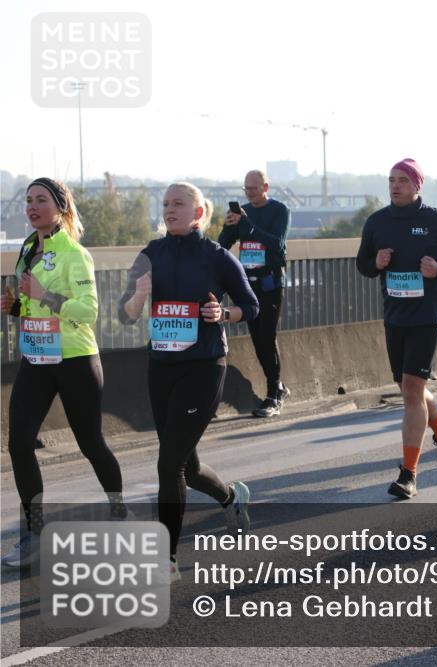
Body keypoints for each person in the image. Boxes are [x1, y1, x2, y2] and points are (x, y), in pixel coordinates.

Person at [119, 183, 260, 581]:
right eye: (165, 203)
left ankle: (166, 559)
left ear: (198, 213)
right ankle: (231, 497)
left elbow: (251, 306)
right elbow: (125, 315)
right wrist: (139, 295)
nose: (170, 209)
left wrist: (223, 314)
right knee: (187, 465)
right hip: (162, 367)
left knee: (169, 464)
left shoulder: (216, 256)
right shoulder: (151, 254)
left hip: (203, 368)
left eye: (178, 203)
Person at [1, 178, 128, 569]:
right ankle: (35, 533)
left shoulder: (74, 253)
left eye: (41, 200)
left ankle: (119, 512)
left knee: (90, 444)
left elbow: (88, 312)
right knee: (19, 444)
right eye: (28, 200)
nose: (32, 206)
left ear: (61, 207)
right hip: (37, 359)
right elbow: (31, 305)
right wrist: (16, 306)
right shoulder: (27, 249)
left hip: (75, 360)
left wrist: (45, 295)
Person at [356, 159, 437, 499]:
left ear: (417, 185)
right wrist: (375, 263)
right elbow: (362, 264)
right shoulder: (377, 222)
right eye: (391, 180)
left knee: (411, 388)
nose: (395, 186)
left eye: (403, 180)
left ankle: (408, 474)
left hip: (427, 315)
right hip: (395, 317)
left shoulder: (435, 220)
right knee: (410, 390)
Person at [218, 170, 291, 418]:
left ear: (265, 187)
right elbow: (224, 244)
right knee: (258, 339)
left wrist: (246, 225)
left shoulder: (279, 211)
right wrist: (229, 226)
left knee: (267, 336)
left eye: (254, 188)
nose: (249, 193)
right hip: (247, 283)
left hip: (270, 281)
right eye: (246, 189)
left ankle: (273, 394)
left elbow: (276, 244)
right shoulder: (243, 213)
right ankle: (278, 386)